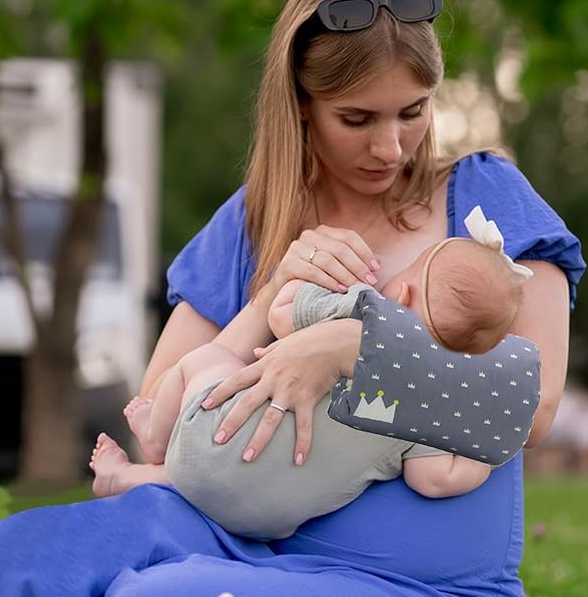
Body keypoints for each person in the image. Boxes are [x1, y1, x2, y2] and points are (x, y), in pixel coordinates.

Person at [0, 0, 585, 597]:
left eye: (411, 112)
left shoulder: (480, 197)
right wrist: (272, 296)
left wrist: (351, 349)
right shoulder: (255, 220)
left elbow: (532, 403)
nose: (390, 147)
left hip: (409, 580)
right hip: (232, 540)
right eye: (357, 119)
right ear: (300, 105)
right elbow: (161, 404)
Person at [88, 205, 533, 541]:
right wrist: (482, 456)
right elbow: (433, 480)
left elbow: (282, 313)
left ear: (405, 289)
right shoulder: (426, 414)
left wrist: (312, 285)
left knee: (203, 364)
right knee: (244, 468)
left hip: (213, 442)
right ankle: (128, 478)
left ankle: (155, 436)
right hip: (274, 518)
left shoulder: (362, 308)